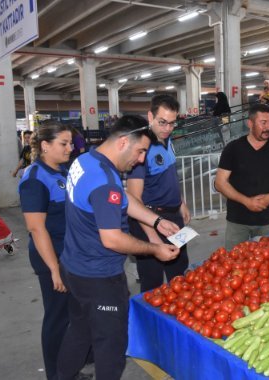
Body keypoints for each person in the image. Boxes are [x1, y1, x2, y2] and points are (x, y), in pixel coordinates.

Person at [57, 115, 180, 380]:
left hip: (73, 266)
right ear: (124, 142)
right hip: (98, 278)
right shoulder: (105, 181)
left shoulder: (88, 160)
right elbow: (112, 239)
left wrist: (156, 221)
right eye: (140, 151)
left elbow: (123, 200)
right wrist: (153, 248)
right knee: (111, 346)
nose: (141, 159)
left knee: (80, 329)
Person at [18, 122, 73, 380]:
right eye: (64, 144)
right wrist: (55, 270)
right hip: (51, 256)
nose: (70, 149)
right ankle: (56, 375)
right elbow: (37, 229)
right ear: (45, 146)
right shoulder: (34, 178)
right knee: (57, 317)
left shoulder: (61, 171)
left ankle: (68, 368)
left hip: (69, 253)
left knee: (71, 314)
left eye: (71, 143)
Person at [126, 95, 191, 292]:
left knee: (180, 274)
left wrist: (180, 203)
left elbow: (169, 177)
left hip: (173, 216)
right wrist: (153, 238)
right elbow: (134, 200)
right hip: (149, 221)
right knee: (152, 283)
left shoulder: (167, 140)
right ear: (150, 116)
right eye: (162, 122)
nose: (167, 128)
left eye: (172, 123)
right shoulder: (141, 149)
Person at [215, 104, 269, 249]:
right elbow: (220, 183)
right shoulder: (233, 149)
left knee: (265, 264)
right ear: (250, 123)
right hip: (237, 221)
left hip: (266, 222)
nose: (268, 127)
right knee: (234, 263)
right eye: (263, 123)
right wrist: (246, 201)